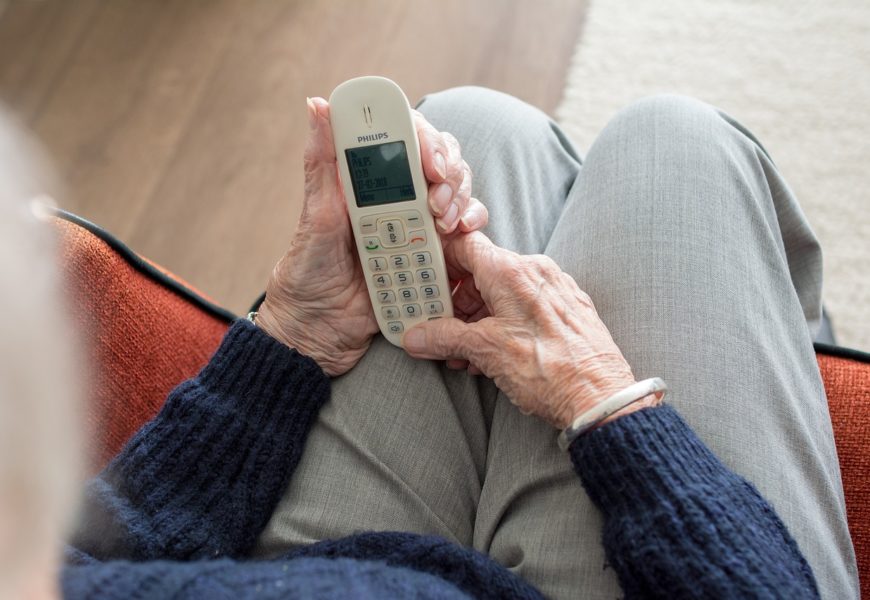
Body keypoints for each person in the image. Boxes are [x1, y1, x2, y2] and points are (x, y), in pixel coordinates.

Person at [5, 87, 858, 597]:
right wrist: (607, 405)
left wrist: (291, 340)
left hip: (308, 567)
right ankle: (790, 340)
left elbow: (83, 557)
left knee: (470, 127)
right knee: (678, 145)